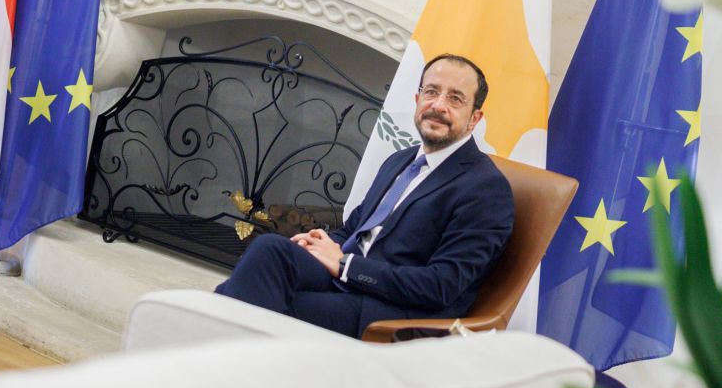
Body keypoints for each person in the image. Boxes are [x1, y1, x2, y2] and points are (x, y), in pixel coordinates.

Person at [214, 54, 514, 337]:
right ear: (417, 100)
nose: (438, 105)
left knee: (248, 298)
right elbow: (355, 229)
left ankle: (212, 365)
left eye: (455, 98)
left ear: (474, 118)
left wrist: (346, 265)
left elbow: (441, 286)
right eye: (431, 92)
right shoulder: (400, 160)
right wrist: (322, 243)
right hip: (348, 278)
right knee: (269, 250)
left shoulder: (486, 189)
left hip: (395, 309)